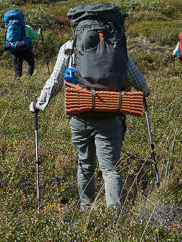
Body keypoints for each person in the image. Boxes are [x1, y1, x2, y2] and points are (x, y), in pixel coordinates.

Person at [29, 39, 151, 210]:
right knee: (111, 169)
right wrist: (144, 89)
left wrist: (39, 104)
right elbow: (137, 77)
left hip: (80, 115)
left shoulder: (70, 47)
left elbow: (55, 80)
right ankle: (115, 217)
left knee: (85, 164)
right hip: (110, 115)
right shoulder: (115, 45)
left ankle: (86, 208)